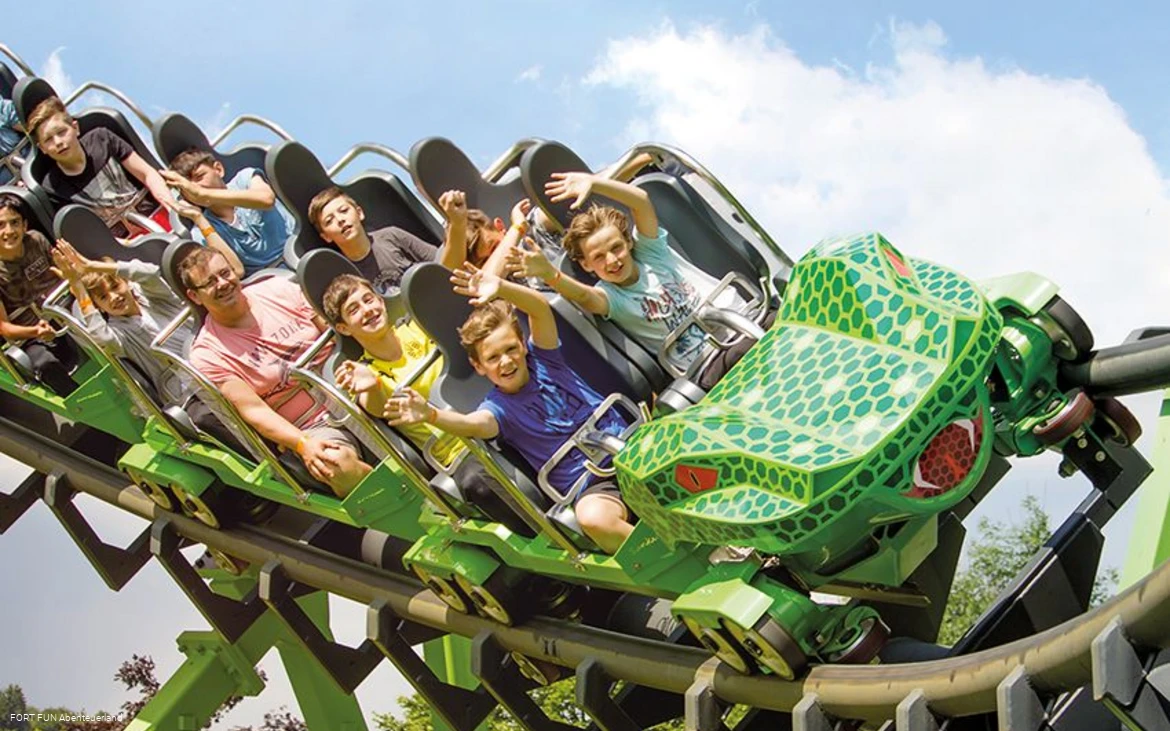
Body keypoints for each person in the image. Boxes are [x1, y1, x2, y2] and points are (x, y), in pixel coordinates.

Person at [385, 264, 634, 553]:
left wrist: (501, 288)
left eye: (510, 349)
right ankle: (671, 560)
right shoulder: (498, 408)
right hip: (589, 483)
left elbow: (539, 308)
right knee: (594, 519)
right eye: (493, 358)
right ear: (479, 367)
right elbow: (476, 425)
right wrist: (432, 415)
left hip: (626, 444)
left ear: (523, 346)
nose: (506, 361)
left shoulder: (546, 361)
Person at [509, 171, 771, 391]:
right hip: (707, 362)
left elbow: (642, 201)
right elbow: (584, 297)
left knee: (783, 314)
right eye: (599, 257)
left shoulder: (652, 254)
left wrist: (595, 182)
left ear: (628, 242)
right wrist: (549, 275)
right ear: (586, 264)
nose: (612, 260)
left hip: (744, 319)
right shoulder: (612, 297)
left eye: (616, 248)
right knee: (750, 354)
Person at [322, 273, 534, 535]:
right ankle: (543, 541)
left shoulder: (417, 327)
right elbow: (376, 408)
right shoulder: (365, 371)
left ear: (380, 299)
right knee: (476, 482)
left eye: (368, 300)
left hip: (493, 414)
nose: (368, 310)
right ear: (343, 328)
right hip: (458, 449)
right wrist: (372, 385)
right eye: (354, 310)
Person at [177, 246, 371, 497]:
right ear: (195, 296)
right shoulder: (208, 353)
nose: (223, 283)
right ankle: (406, 503)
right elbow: (253, 410)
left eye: (225, 273)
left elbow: (333, 333)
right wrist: (303, 444)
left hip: (347, 384)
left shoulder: (275, 289)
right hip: (311, 423)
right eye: (210, 282)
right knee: (334, 464)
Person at [51, 240, 195, 404]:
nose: (114, 297)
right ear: (99, 307)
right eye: (103, 297)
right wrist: (79, 289)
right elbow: (103, 339)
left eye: (115, 287)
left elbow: (150, 273)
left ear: (126, 282)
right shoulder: (118, 331)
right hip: (186, 389)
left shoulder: (153, 296)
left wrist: (92, 266)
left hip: (210, 354)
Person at [25, 96, 175, 238]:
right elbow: (88, 233)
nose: (58, 142)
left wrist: (172, 208)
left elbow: (147, 174)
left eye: (62, 132)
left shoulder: (101, 139)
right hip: (125, 243)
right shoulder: (52, 186)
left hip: (156, 213)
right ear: (42, 148)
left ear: (75, 128)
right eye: (49, 139)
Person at [163, 148, 295, 276]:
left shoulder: (244, 179)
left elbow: (266, 200)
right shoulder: (202, 232)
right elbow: (236, 271)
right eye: (187, 186)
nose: (195, 187)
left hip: (297, 250)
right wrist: (199, 218)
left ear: (218, 169)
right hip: (269, 279)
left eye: (200, 177)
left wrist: (204, 194)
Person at [307, 186, 457, 293]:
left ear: (359, 213)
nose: (340, 220)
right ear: (326, 236)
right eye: (329, 221)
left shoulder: (391, 236)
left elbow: (440, 261)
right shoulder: (343, 274)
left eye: (344, 211)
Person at [0, 194, 78, 396]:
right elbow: (5, 328)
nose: (9, 231)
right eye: (0, 225)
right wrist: (36, 331)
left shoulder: (37, 240)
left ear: (24, 225)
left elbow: (63, 274)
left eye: (14, 223)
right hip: (32, 335)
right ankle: (80, 401)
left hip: (66, 313)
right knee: (45, 363)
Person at [437, 190, 529, 278]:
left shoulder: (530, 236)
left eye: (494, 249)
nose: (498, 258)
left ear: (499, 227)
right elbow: (448, 274)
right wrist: (517, 227)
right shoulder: (479, 284)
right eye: (485, 261)